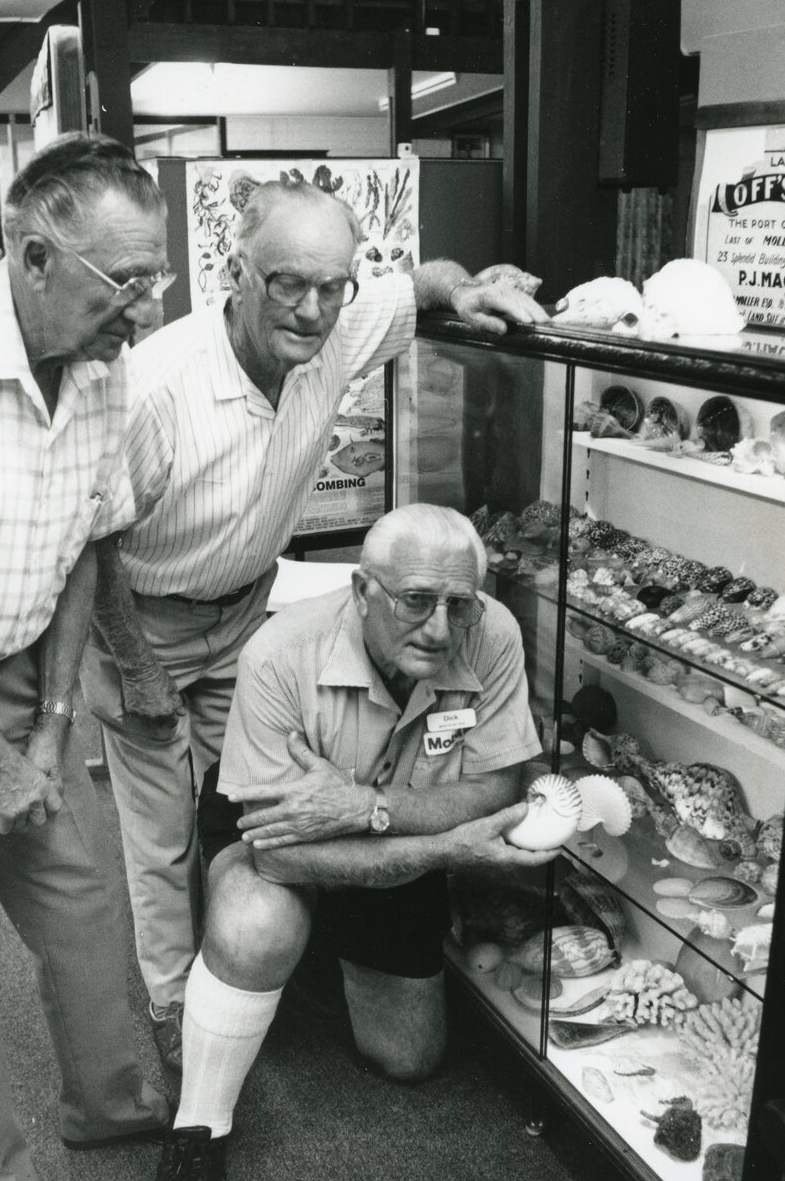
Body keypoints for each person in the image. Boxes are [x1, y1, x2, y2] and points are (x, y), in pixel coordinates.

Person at [81, 178, 550, 1076]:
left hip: (247, 612)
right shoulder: (156, 387)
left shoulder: (337, 328)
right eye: (287, 283)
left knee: (257, 808)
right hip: (142, 618)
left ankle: (267, 950)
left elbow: (419, 285)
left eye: (332, 285)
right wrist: (134, 665)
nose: (311, 307)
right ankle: (176, 1003)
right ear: (236, 272)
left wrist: (460, 289)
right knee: (161, 827)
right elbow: (93, 539)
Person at [146, 504, 555, 1181]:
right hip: (286, 837)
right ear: (365, 589)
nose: (439, 627)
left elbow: (496, 787)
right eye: (415, 600)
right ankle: (197, 1130)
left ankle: (319, 953)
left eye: (457, 604)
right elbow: (280, 856)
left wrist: (368, 808)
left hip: (391, 822)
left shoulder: (492, 633)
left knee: (410, 1057)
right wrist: (438, 842)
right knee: (255, 924)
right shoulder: (279, 652)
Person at [0, 134, 173, 1181]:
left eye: (156, 281)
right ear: (35, 256)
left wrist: (42, 729)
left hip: (21, 674)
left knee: (85, 914)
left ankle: (123, 1103)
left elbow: (90, 544)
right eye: (125, 283)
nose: (142, 311)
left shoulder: (100, 357)